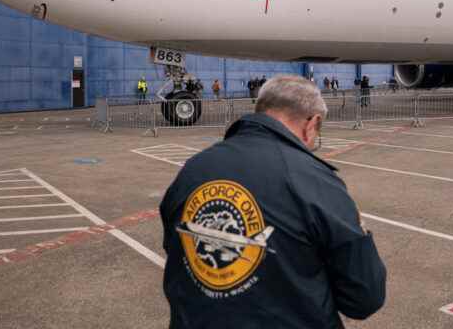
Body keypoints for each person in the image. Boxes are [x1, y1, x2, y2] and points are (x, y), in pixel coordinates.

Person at [160, 75, 386, 327]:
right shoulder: (315, 181)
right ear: (312, 123)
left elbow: (176, 248)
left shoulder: (193, 169)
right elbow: (364, 297)